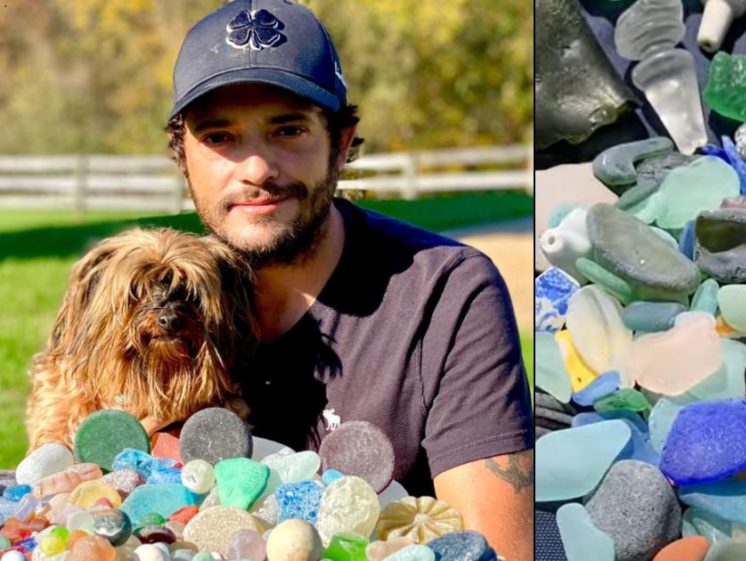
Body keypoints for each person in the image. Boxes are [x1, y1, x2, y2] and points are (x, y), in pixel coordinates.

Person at [165, 1, 533, 557]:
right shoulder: (155, 307)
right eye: (220, 137)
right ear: (182, 153)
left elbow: (496, 550)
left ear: (341, 142)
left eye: (288, 130)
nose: (257, 168)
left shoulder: (445, 293)